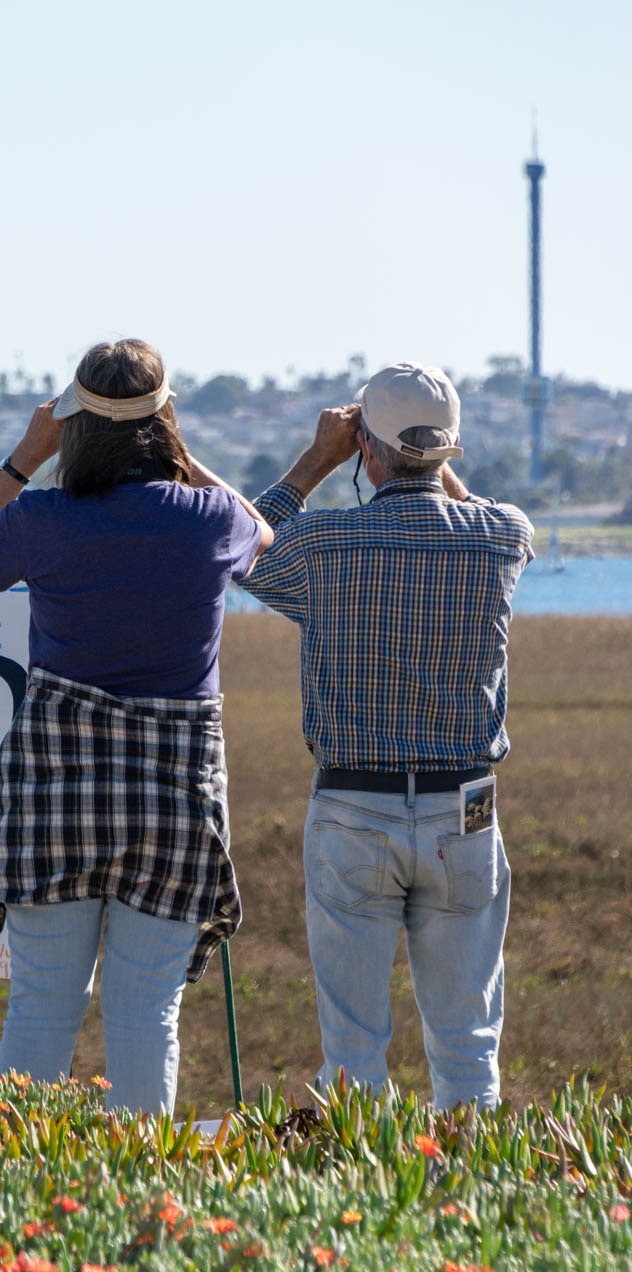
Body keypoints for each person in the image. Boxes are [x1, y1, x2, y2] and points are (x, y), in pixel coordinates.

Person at [0, 338, 273, 1115]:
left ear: (73, 423)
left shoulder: (44, 517)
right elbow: (263, 535)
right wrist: (184, 455)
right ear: (168, 421)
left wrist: (26, 455)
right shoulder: (209, 519)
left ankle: (12, 1181)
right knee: (147, 1011)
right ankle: (142, 1192)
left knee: (42, 1006)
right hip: (172, 805)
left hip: (53, 795)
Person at [241, 363, 533, 1110]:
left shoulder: (326, 544)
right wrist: (431, 464)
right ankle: (476, 1202)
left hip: (351, 807)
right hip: (464, 809)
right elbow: (488, 517)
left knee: (352, 1051)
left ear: (363, 448)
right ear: (451, 448)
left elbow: (245, 550)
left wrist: (316, 461)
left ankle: (361, 1207)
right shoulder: (501, 538)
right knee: (469, 1046)